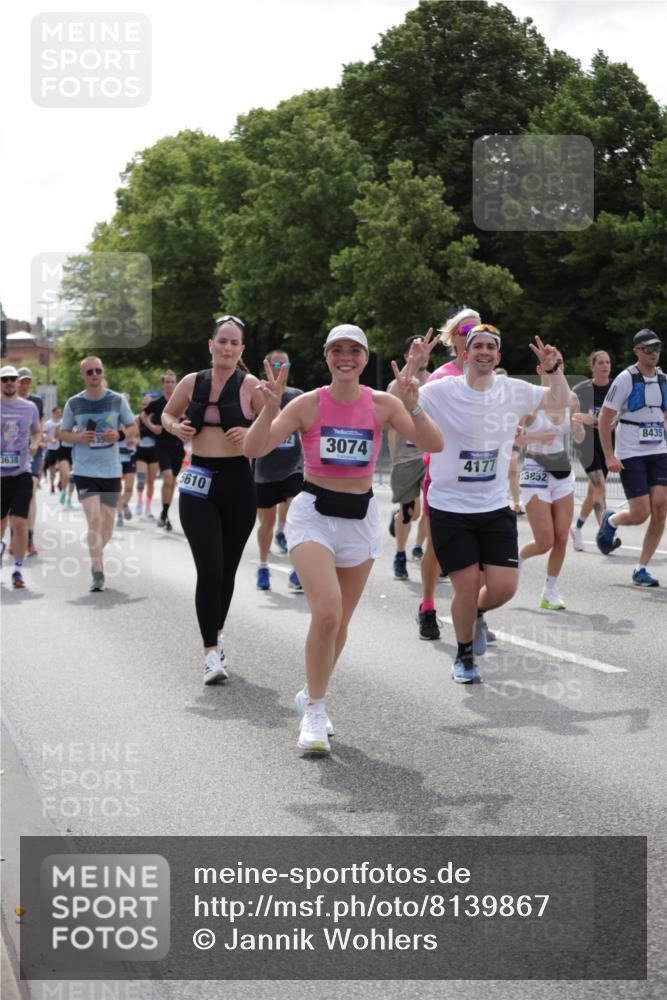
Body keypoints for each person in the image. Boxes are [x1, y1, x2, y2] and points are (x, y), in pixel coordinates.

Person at [244, 324, 443, 755]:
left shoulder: (384, 403)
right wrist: (269, 409)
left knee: (340, 624)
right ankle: (315, 710)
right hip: (313, 515)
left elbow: (434, 443)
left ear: (365, 358)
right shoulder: (307, 404)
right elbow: (255, 449)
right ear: (327, 357)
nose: (346, 357)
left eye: (355, 350)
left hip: (360, 518)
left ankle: (310, 692)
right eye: (337, 350)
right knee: (328, 614)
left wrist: (416, 405)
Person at [415, 326, 571, 683]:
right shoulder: (443, 389)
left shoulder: (512, 389)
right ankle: (464, 656)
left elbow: (558, 401)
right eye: (477, 346)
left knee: (503, 587)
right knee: (467, 584)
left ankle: (476, 613)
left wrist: (553, 370)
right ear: (465, 354)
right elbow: (402, 401)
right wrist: (415, 367)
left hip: (494, 505)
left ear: (498, 356)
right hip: (451, 506)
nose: (484, 352)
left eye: (490, 347)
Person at [161, 315, 263, 684]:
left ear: (241, 349)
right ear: (211, 344)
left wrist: (251, 430)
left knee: (227, 569)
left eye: (234, 343)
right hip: (198, 480)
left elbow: (277, 424)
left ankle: (217, 637)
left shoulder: (250, 385)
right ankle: (209, 654)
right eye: (222, 341)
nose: (227, 348)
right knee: (210, 569)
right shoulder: (192, 382)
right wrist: (176, 428)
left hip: (238, 481)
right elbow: (168, 414)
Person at [416, 306, 481, 640]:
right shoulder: (441, 377)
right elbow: (420, 419)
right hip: (443, 473)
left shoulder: (489, 377)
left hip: (480, 475)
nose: (471, 336)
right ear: (453, 338)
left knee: (481, 551)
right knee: (437, 547)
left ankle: (475, 613)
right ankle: (427, 607)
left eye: (477, 330)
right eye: (465, 331)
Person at [596, 329, 667, 586]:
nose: (654, 353)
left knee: (661, 508)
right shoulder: (625, 379)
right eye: (648, 348)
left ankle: (641, 569)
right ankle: (611, 519)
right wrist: (609, 455)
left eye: (657, 348)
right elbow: (604, 417)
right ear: (637, 351)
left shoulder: (663, 379)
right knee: (640, 514)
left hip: (658, 450)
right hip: (631, 452)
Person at [59, 357, 136, 591]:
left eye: (98, 371)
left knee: (108, 523)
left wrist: (119, 436)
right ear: (83, 375)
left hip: (111, 470)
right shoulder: (74, 403)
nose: (94, 374)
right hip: (85, 469)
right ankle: (97, 571)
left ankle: (96, 552)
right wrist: (79, 437)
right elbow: (63, 433)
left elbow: (133, 427)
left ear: (103, 373)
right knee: (94, 518)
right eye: (89, 371)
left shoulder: (117, 400)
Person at [517, 351, 585, 610]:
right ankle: (518, 558)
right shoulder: (531, 401)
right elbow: (513, 437)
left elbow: (578, 438)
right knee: (544, 541)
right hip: (535, 470)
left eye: (559, 364)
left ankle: (550, 590)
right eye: (550, 365)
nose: (556, 368)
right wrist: (535, 438)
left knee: (561, 537)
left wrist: (578, 430)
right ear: (540, 370)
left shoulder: (571, 400)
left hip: (562, 472)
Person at [253, 349, 304, 592]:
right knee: (267, 522)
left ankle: (297, 569)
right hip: (265, 468)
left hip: (293, 466)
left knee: (296, 514)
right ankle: (263, 566)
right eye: (276, 365)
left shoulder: (297, 396)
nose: (282, 369)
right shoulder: (258, 393)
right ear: (268, 368)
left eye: (286, 365)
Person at [386, 336, 431, 581]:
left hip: (431, 455)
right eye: (416, 351)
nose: (422, 355)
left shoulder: (436, 380)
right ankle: (400, 554)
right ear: (407, 356)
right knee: (409, 513)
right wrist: (411, 365)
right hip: (405, 457)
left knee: (433, 510)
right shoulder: (398, 383)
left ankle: (427, 551)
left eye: (425, 350)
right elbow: (389, 407)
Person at [570, 351, 620, 551]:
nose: (605, 365)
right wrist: (592, 419)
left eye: (608, 362)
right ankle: (606, 534)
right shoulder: (581, 389)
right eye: (600, 362)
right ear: (592, 366)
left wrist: (610, 421)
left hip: (606, 444)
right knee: (599, 485)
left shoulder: (616, 388)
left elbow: (622, 413)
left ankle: (577, 527)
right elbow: (573, 415)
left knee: (594, 491)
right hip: (586, 444)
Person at [1, 365, 42, 588]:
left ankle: (17, 570)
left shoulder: (30, 407)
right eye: (4, 379)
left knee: (19, 522)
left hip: (21, 472)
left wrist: (35, 443)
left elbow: (37, 431)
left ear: (17, 382)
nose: (9, 382)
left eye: (12, 379)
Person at [142, 371, 185, 531]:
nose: (170, 384)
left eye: (172, 382)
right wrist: (152, 427)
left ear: (176, 383)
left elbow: (191, 418)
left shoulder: (182, 402)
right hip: (162, 445)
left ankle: (164, 514)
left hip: (177, 446)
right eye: (167, 382)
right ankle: (164, 514)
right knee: (167, 478)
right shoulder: (157, 403)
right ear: (163, 384)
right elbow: (143, 416)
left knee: (172, 481)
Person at [16, 367, 44, 555]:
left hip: (33, 452)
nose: (25, 385)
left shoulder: (36, 402)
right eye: (22, 381)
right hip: (12, 453)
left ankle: (30, 539)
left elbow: (38, 427)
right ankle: (15, 536)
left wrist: (37, 441)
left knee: (31, 492)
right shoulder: (6, 401)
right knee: (13, 494)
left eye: (27, 381)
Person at [135, 393, 159, 518]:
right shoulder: (138, 419)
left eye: (148, 404)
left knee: (151, 482)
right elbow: (133, 434)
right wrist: (136, 440)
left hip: (154, 452)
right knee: (141, 480)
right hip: (141, 452)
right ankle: (139, 502)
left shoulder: (157, 418)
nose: (146, 407)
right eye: (144, 404)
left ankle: (148, 507)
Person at [43, 406, 62, 493]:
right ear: (53, 413)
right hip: (51, 448)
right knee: (52, 468)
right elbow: (44, 435)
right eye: (58, 412)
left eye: (60, 412)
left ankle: (60, 482)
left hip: (61, 448)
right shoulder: (48, 423)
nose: (59, 414)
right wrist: (51, 439)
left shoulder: (63, 422)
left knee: (62, 466)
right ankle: (52, 484)